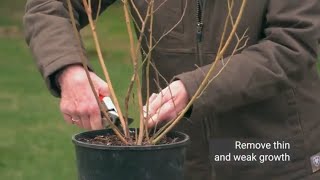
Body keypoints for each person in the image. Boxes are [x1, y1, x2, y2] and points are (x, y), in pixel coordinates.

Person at [24, 0, 320, 179]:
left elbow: (291, 44)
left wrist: (194, 88)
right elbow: (49, 6)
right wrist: (69, 70)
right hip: (172, 154)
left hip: (270, 154)